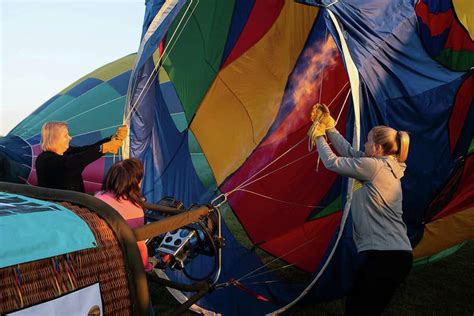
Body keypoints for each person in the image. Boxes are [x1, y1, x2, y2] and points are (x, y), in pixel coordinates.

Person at [309, 104, 413, 316]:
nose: (364, 144)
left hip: (387, 256)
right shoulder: (381, 164)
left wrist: (319, 137)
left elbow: (332, 162)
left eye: (367, 141)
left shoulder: (374, 167)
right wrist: (330, 128)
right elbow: (350, 153)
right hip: (393, 255)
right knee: (359, 305)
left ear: (377, 148)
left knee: (359, 309)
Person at [95, 158, 154, 272]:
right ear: (136, 182)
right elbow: (137, 243)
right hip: (118, 263)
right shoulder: (134, 209)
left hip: (98, 255)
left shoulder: (98, 197)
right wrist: (147, 266)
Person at [36, 122, 127, 192]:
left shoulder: (66, 153)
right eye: (65, 136)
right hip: (59, 210)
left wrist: (111, 139)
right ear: (54, 138)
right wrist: (103, 148)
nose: (70, 138)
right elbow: (73, 162)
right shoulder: (45, 159)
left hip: (74, 206)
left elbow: (86, 150)